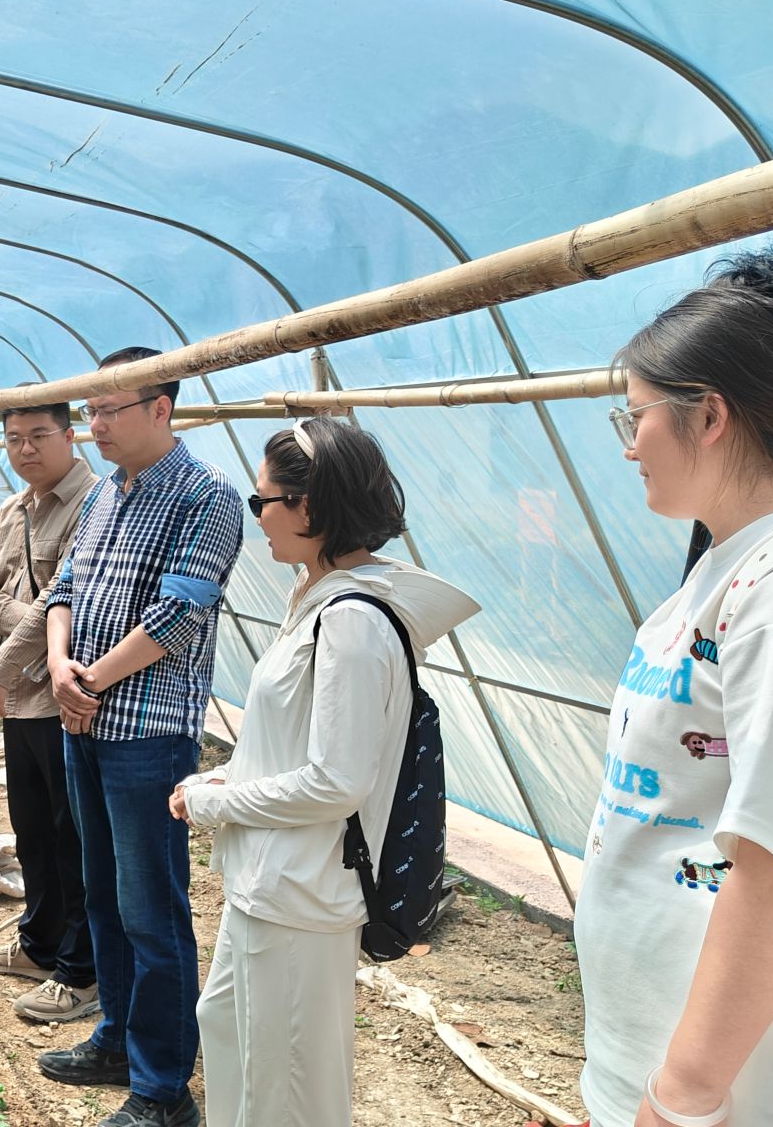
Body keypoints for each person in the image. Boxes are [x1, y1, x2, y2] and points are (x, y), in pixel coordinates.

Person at [174, 418, 477, 1127]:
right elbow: (292, 744)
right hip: (269, 881)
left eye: (262, 501)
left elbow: (337, 781)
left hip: (300, 891)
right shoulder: (318, 598)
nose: (257, 516)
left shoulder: (351, 620)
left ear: (307, 506)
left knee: (285, 1091)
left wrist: (216, 804)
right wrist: (224, 782)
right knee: (234, 1039)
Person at [0, 346, 243, 1127]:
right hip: (82, 724)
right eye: (90, 410)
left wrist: (88, 680)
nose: (93, 424)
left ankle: (163, 1088)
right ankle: (117, 1042)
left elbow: (179, 611)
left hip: (146, 735)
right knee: (103, 898)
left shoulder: (205, 495)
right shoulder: (104, 496)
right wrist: (62, 665)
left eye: (108, 410)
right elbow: (62, 588)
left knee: (152, 911)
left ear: (161, 408)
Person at [574, 251, 773, 1127]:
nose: (629, 447)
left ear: (710, 415)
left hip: (721, 1095)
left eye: (636, 417)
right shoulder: (723, 570)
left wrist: (684, 1095)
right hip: (648, 1055)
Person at [0, 395, 101, 1023]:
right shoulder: (11, 510)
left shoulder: (94, 504)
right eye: (14, 438)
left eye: (39, 435)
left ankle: (80, 968)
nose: (25, 449)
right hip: (22, 700)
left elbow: (68, 598)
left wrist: (6, 658)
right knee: (34, 833)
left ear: (70, 436)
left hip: (63, 698)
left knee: (73, 838)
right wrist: (43, 626)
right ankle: (40, 944)